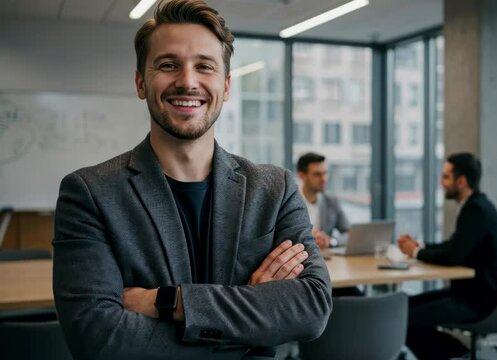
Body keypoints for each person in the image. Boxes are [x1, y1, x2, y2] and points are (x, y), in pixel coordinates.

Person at [52, 1, 331, 359]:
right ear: (141, 82)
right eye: (168, 65)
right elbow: (98, 339)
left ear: (226, 85)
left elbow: (311, 309)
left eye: (204, 66)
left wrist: (167, 301)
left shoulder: (275, 189)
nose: (187, 81)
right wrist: (251, 326)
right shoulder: (90, 194)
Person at [397, 152, 497, 360]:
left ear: (461, 182)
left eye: (445, 177)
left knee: (405, 318)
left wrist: (415, 252)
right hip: (472, 292)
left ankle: (455, 354)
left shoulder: (476, 210)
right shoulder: (475, 205)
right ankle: (458, 353)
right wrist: (420, 246)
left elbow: (453, 256)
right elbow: (454, 246)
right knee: (404, 305)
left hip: (480, 300)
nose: (441, 182)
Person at [296, 153, 350, 249]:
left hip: (324, 259)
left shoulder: (331, 201)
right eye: (317, 174)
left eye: (325, 173)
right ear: (302, 176)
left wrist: (331, 241)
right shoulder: (290, 202)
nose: (324, 179)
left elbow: (349, 233)